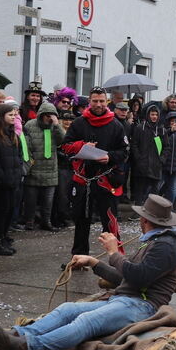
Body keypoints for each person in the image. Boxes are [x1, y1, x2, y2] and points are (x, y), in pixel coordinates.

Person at [0, 194, 176, 350]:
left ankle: (27, 346)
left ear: (145, 220)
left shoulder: (165, 246)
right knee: (68, 309)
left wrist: (113, 252)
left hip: (142, 306)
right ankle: (19, 334)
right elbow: (126, 278)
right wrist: (94, 262)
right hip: (125, 299)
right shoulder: (154, 241)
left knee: (87, 321)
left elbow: (138, 277)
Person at [61, 87, 129, 256]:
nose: (98, 104)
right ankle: (79, 256)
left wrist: (110, 157)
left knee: (110, 221)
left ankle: (117, 258)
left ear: (106, 101)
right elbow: (65, 147)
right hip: (83, 180)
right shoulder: (78, 123)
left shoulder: (116, 125)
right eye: (95, 101)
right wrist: (81, 147)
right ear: (89, 102)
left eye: (101, 101)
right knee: (81, 220)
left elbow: (125, 151)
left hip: (106, 179)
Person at [0, 103, 24, 255]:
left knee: (9, 211)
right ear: (2, 117)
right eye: (10, 115)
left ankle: (1, 237)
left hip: (13, 179)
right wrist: (2, 177)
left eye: (15, 115)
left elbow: (19, 156)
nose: (14, 118)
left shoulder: (13, 133)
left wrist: (18, 173)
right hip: (1, 182)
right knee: (1, 212)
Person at [21, 101, 63, 231]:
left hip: (50, 170)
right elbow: (26, 146)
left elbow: (64, 141)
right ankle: (29, 222)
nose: (49, 118)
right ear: (41, 115)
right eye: (47, 115)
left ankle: (46, 222)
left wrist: (57, 125)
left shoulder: (55, 127)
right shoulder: (30, 125)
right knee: (30, 201)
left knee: (48, 201)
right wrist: (28, 164)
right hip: (34, 169)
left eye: (52, 115)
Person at [129, 104, 162, 205]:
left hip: (155, 165)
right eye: (152, 114)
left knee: (154, 190)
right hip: (142, 165)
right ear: (148, 115)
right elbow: (134, 144)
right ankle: (138, 210)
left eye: (156, 115)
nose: (154, 117)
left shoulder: (161, 129)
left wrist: (162, 159)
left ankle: (152, 211)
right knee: (140, 189)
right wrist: (139, 158)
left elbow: (166, 147)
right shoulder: (140, 128)